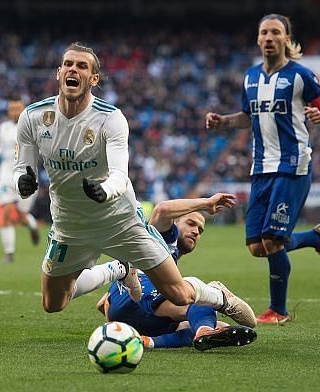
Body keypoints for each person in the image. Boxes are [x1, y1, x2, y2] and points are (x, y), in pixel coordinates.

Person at [13, 42, 256, 328]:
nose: (73, 70)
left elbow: (119, 174)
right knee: (53, 304)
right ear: (58, 73)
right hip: (70, 224)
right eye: (68, 64)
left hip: (120, 221)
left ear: (93, 79)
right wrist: (23, 183)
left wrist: (104, 191)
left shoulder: (110, 118)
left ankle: (218, 296)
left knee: (177, 293)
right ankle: (119, 268)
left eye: (81, 66)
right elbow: (22, 170)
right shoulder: (33, 117)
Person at [205, 14, 320, 324]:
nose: (268, 37)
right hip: (261, 167)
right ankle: (316, 238)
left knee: (273, 241)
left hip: (293, 165)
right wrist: (223, 121)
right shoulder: (250, 77)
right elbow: (247, 116)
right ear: (258, 39)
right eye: (263, 32)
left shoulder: (301, 75)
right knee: (256, 246)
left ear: (286, 40)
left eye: (275, 32)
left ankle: (278, 311)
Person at [97, 193, 257, 351]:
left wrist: (110, 307)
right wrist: (206, 203)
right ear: (175, 222)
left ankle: (147, 341)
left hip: (129, 318)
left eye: (200, 230)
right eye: (191, 223)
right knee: (197, 302)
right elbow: (162, 210)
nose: (196, 232)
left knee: (217, 325)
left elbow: (101, 303)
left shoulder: (166, 263)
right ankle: (211, 311)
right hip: (137, 294)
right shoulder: (163, 238)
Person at [0, 97, 40, 262]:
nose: (15, 112)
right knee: (5, 211)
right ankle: (9, 253)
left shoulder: (33, 126)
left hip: (26, 175)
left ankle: (32, 226)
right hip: (6, 173)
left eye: (18, 108)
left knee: (20, 216)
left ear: (24, 108)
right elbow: (1, 151)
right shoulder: (3, 128)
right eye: (12, 109)